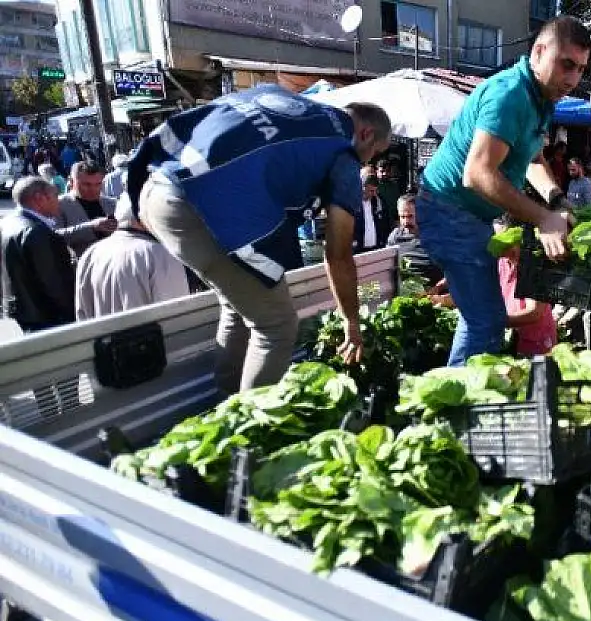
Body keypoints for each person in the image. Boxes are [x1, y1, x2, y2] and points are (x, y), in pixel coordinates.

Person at [127, 85, 392, 394]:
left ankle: (225, 407)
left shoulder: (292, 103)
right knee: (277, 325)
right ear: (366, 134)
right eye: (375, 153)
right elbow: (338, 253)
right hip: (198, 205)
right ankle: (248, 433)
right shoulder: (344, 154)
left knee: (240, 305)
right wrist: (351, 320)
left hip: (156, 183)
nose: (368, 163)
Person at [417, 16, 589, 366]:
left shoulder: (541, 97)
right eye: (566, 64)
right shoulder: (510, 94)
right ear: (539, 52)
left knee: (481, 318)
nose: (573, 79)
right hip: (448, 210)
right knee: (486, 323)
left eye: (581, 69)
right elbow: (477, 174)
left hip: (471, 215)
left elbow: (532, 158)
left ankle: (457, 400)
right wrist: (543, 218)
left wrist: (557, 199)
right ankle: (456, 413)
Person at [75, 198, 191, 320]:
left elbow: (82, 317)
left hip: (103, 337)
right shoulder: (160, 254)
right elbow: (176, 319)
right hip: (149, 338)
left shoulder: (90, 254)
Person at [0, 176, 75, 332]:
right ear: (39, 198)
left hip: (22, 312)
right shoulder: (36, 232)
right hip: (47, 318)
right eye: (55, 195)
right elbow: (54, 284)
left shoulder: (7, 223)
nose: (59, 200)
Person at [494, 219, 557, 357]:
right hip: (511, 342)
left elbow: (534, 312)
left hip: (536, 345)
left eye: (508, 242)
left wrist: (494, 322)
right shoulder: (502, 262)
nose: (504, 249)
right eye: (499, 244)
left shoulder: (535, 264)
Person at [56, 161, 117, 258]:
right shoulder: (58, 205)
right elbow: (54, 237)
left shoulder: (112, 203)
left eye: (98, 184)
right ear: (71, 182)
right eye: (86, 185)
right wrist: (92, 227)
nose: (93, 189)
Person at [386, 194, 443, 286]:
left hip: (436, 293)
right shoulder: (395, 236)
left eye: (410, 216)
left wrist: (438, 288)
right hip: (405, 293)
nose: (406, 222)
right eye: (402, 217)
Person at [354, 174, 389, 253]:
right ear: (362, 188)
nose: (374, 194)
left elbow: (385, 223)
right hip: (357, 250)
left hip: (376, 248)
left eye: (376, 191)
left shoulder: (379, 201)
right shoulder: (351, 203)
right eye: (371, 191)